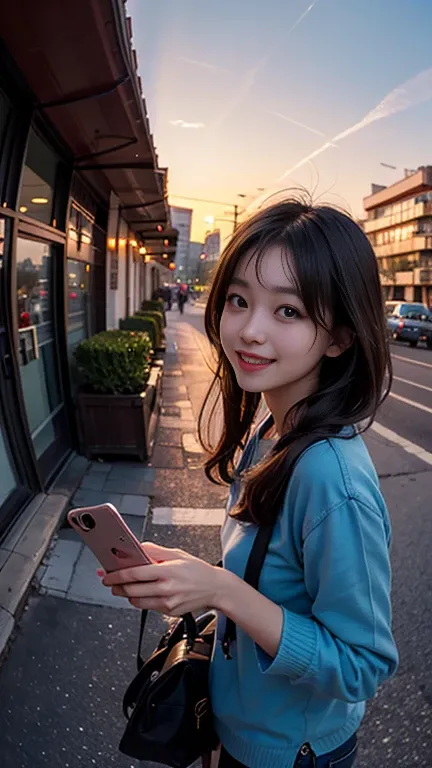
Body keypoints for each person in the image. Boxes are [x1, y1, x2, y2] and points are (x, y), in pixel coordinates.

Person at [101, 198, 398, 768]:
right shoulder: (272, 428)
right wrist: (197, 578)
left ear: (339, 337)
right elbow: (271, 585)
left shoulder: (331, 478)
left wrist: (220, 591)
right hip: (242, 732)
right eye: (239, 300)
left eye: (288, 312)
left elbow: (363, 664)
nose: (249, 330)